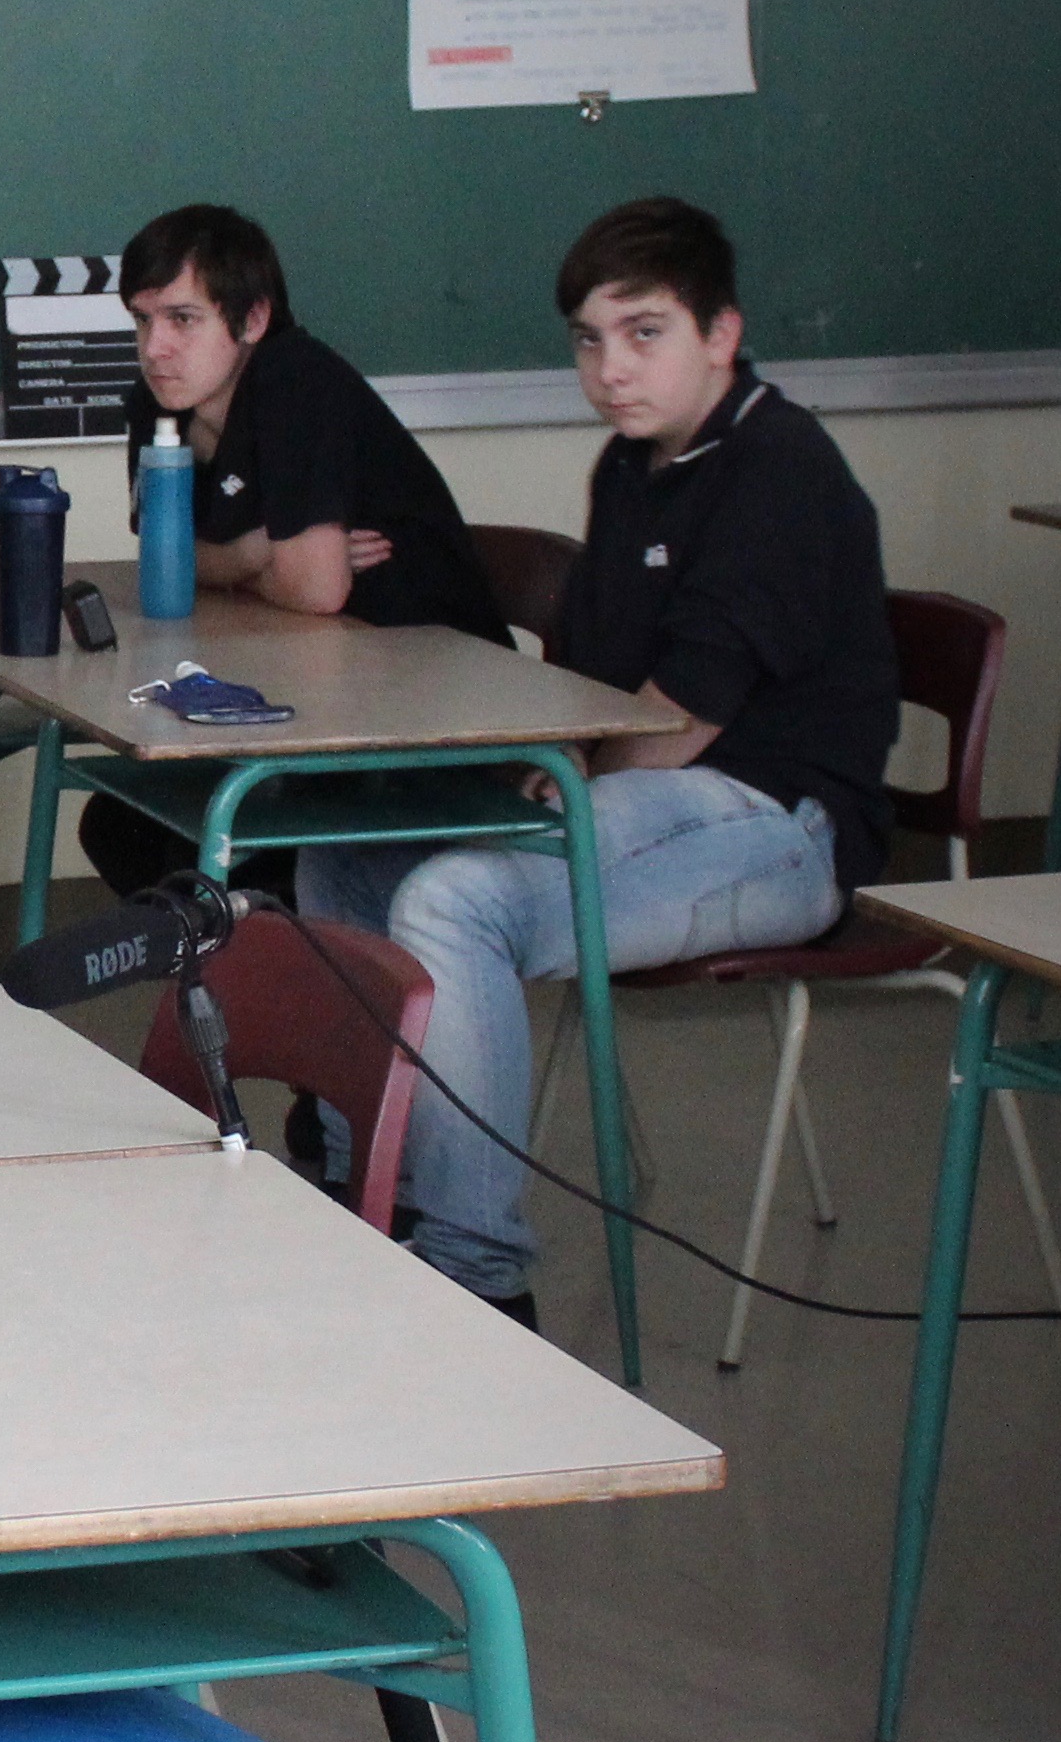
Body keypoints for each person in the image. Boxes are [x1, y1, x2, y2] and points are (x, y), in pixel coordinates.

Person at [299, 198, 897, 1321]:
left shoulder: (780, 470)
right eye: (588, 339)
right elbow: (598, 683)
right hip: (658, 788)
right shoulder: (632, 464)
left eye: (644, 332)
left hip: (778, 824)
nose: (611, 369)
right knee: (348, 856)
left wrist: (566, 776)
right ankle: (362, 1189)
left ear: (722, 333)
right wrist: (540, 763)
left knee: (456, 902)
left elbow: (680, 721)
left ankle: (479, 1275)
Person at [85, 204, 509, 902]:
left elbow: (316, 589)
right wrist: (256, 555)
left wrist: (244, 565)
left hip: (431, 714)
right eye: (142, 320)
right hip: (318, 694)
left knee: (178, 842)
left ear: (252, 319)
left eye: (183, 319)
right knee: (121, 823)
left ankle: (279, 956)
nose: (155, 348)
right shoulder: (156, 403)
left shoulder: (294, 380)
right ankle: (241, 958)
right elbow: (167, 562)